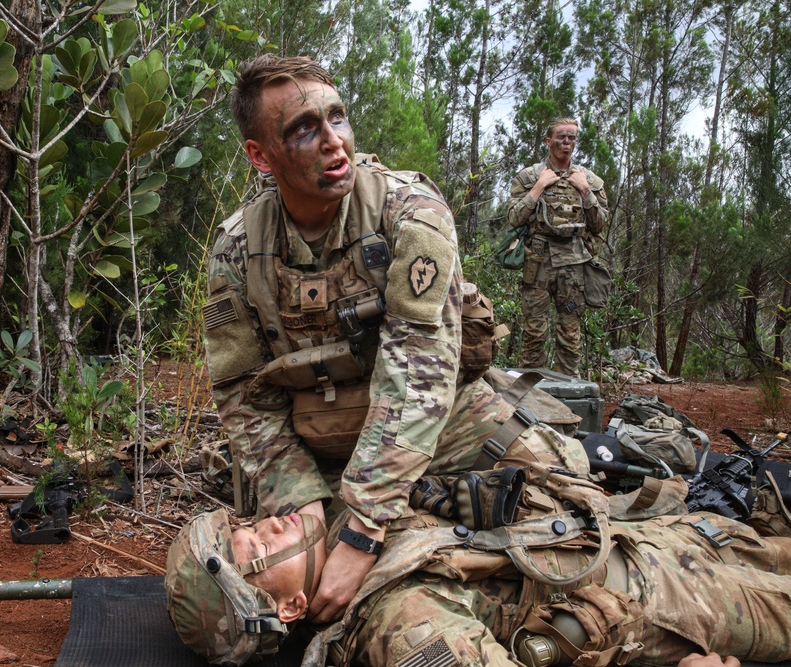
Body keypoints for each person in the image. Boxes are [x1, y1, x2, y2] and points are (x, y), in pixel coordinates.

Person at [202, 55, 588, 624]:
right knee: (313, 587)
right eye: (305, 129)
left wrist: (361, 528)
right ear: (261, 155)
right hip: (321, 449)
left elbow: (420, 376)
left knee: (565, 496)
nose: (335, 142)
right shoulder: (236, 251)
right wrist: (301, 504)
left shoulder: (410, 209)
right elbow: (242, 396)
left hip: (444, 420)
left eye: (338, 117)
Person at [165, 465, 791, 667]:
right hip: (680, 600)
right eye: (252, 551)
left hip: (657, 537)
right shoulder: (399, 622)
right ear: (290, 608)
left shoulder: (346, 526)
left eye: (245, 523)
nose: (266, 526)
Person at [507, 118, 609, 377]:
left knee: (570, 334)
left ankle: (567, 393)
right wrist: (539, 187)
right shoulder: (530, 177)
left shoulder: (590, 180)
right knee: (533, 333)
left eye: (572, 138)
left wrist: (585, 191)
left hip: (573, 266)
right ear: (548, 141)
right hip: (538, 263)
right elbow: (514, 218)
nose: (567, 143)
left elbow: (599, 225)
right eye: (562, 137)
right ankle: (530, 397)